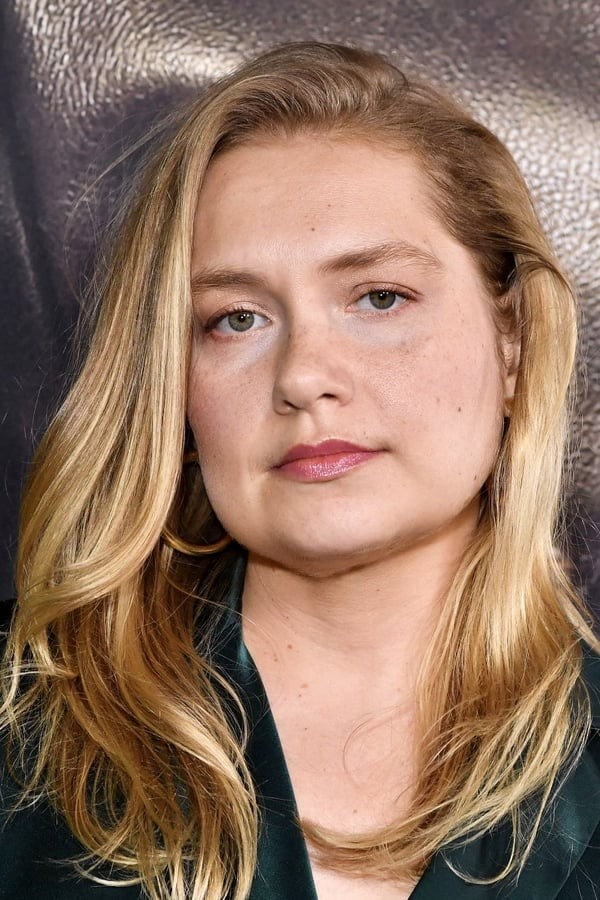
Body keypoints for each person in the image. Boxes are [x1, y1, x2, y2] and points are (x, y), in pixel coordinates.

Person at [1, 40, 599, 900]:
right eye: (236, 318)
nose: (303, 375)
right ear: (173, 380)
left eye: (379, 298)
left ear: (514, 343)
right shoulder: (19, 729)